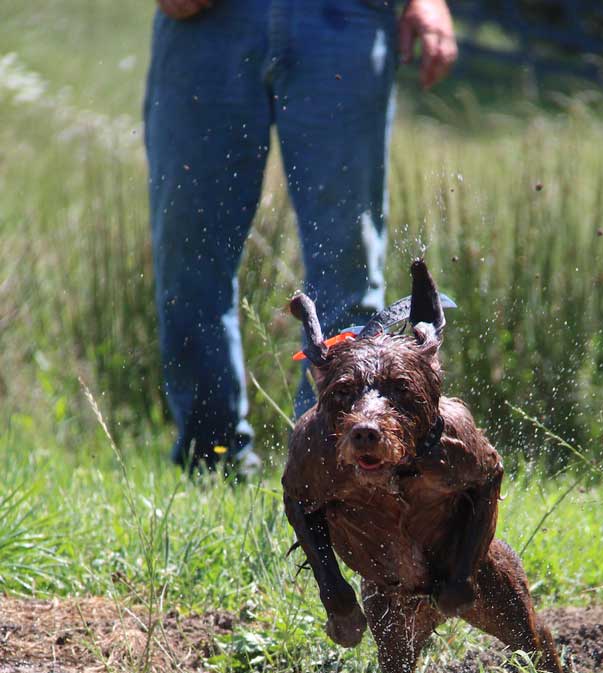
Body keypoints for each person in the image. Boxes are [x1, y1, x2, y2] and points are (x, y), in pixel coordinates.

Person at [144, 0, 457, 478]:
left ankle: (335, 481)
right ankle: (212, 466)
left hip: (343, 18)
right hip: (205, 25)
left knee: (347, 267)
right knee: (187, 260)